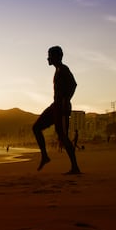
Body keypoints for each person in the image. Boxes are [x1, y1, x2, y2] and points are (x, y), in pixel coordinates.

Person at [32, 46, 81, 174]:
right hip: (55, 106)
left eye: (49, 55)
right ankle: (45, 156)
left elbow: (73, 84)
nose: (47, 58)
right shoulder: (58, 70)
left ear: (56, 57)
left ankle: (75, 167)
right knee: (36, 127)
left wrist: (66, 99)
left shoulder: (64, 69)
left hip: (62, 107)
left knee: (63, 136)